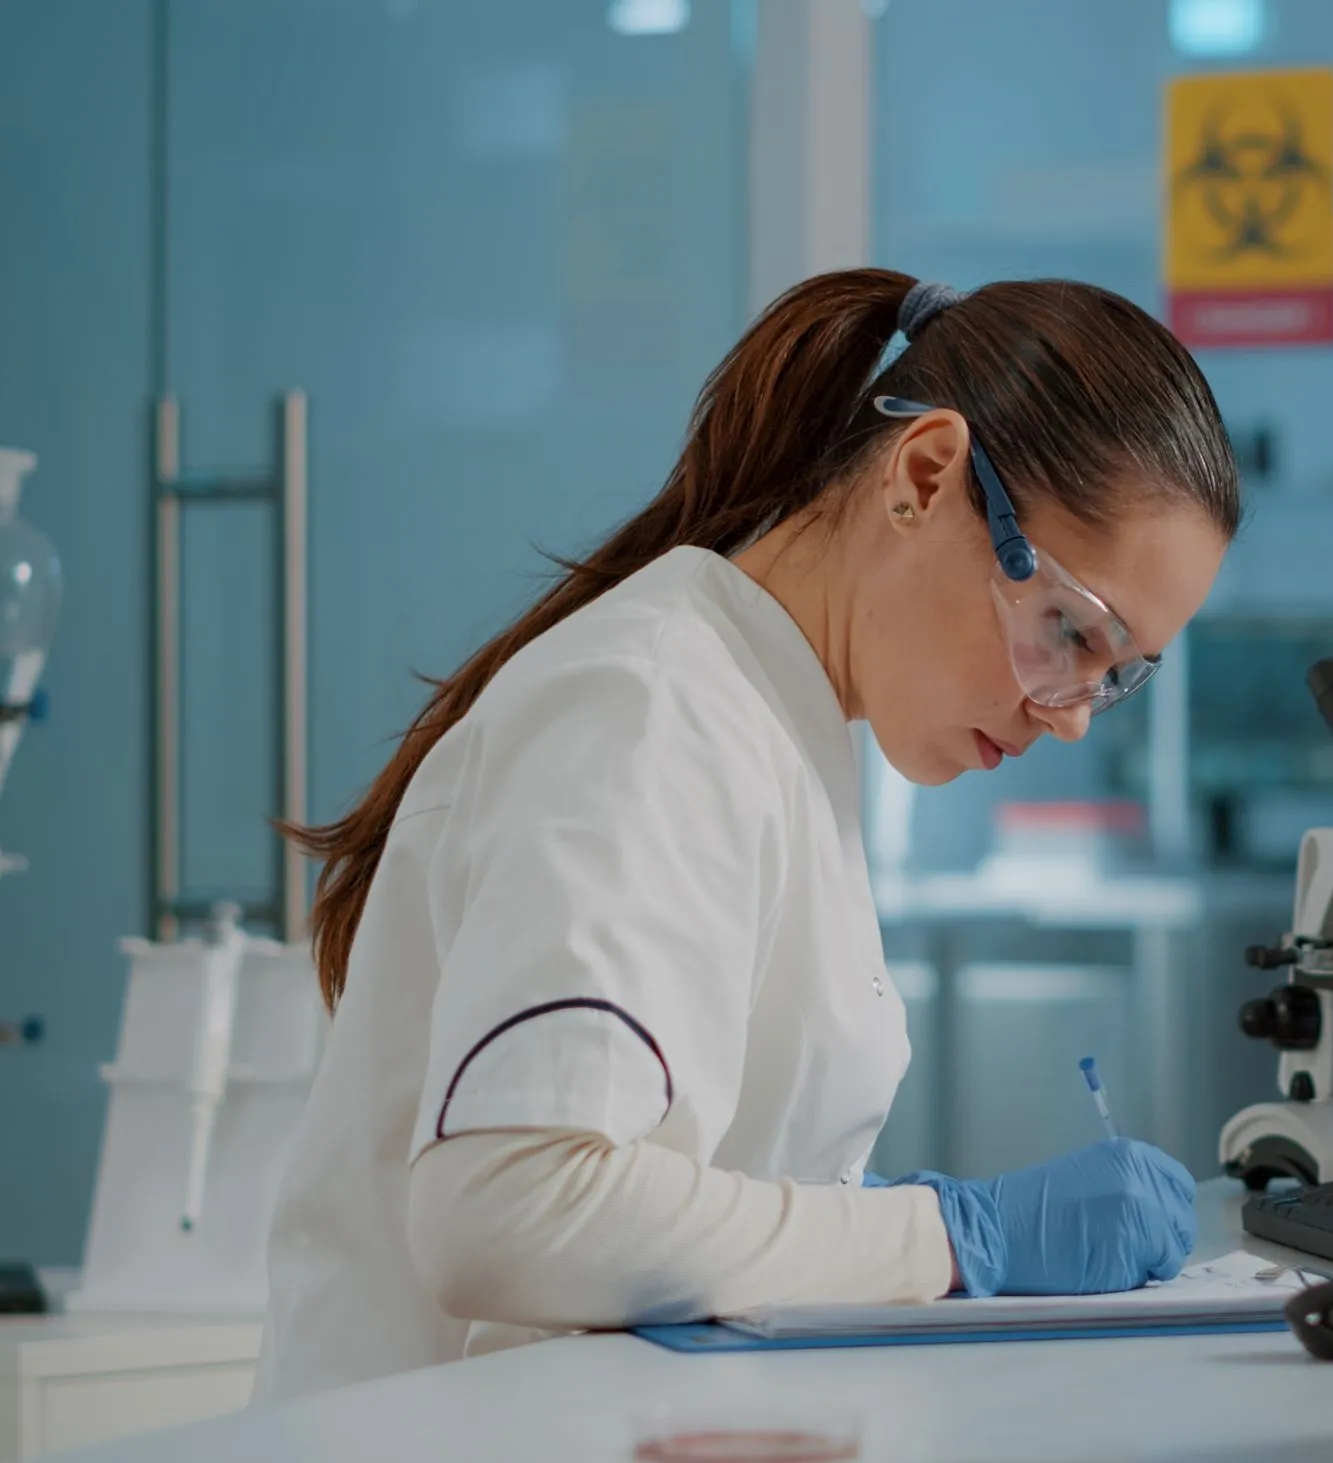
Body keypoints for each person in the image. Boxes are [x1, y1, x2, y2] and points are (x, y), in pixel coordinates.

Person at [253, 270, 1239, 1401]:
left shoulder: (770, 716)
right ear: (923, 475)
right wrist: (952, 1238)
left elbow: (657, 1197)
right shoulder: (652, 703)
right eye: (1067, 628)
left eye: (1112, 677)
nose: (1066, 715)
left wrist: (859, 1223)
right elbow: (504, 1206)